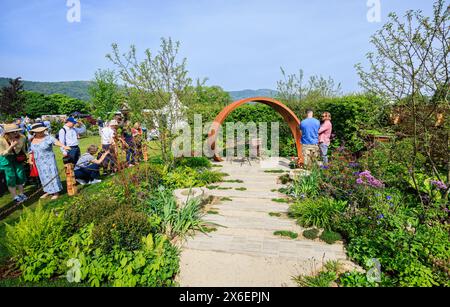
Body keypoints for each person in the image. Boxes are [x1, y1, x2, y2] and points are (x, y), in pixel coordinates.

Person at [29, 123, 71, 200]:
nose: (41, 132)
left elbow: (56, 142)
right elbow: (31, 150)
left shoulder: (48, 138)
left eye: (42, 131)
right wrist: (30, 159)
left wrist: (63, 146)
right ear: (34, 132)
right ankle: (47, 191)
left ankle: (55, 192)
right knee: (43, 176)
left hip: (49, 161)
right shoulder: (32, 139)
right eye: (39, 131)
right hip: (39, 162)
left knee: (52, 174)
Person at [0, 124, 28, 203]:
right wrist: (11, 146)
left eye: (17, 131)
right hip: (5, 159)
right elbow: (2, 154)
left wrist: (27, 157)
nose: (16, 133)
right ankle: (15, 196)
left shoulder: (22, 137)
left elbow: (23, 149)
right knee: (10, 177)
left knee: (20, 175)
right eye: (12, 132)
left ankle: (22, 194)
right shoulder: (1, 140)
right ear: (7, 133)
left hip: (17, 158)